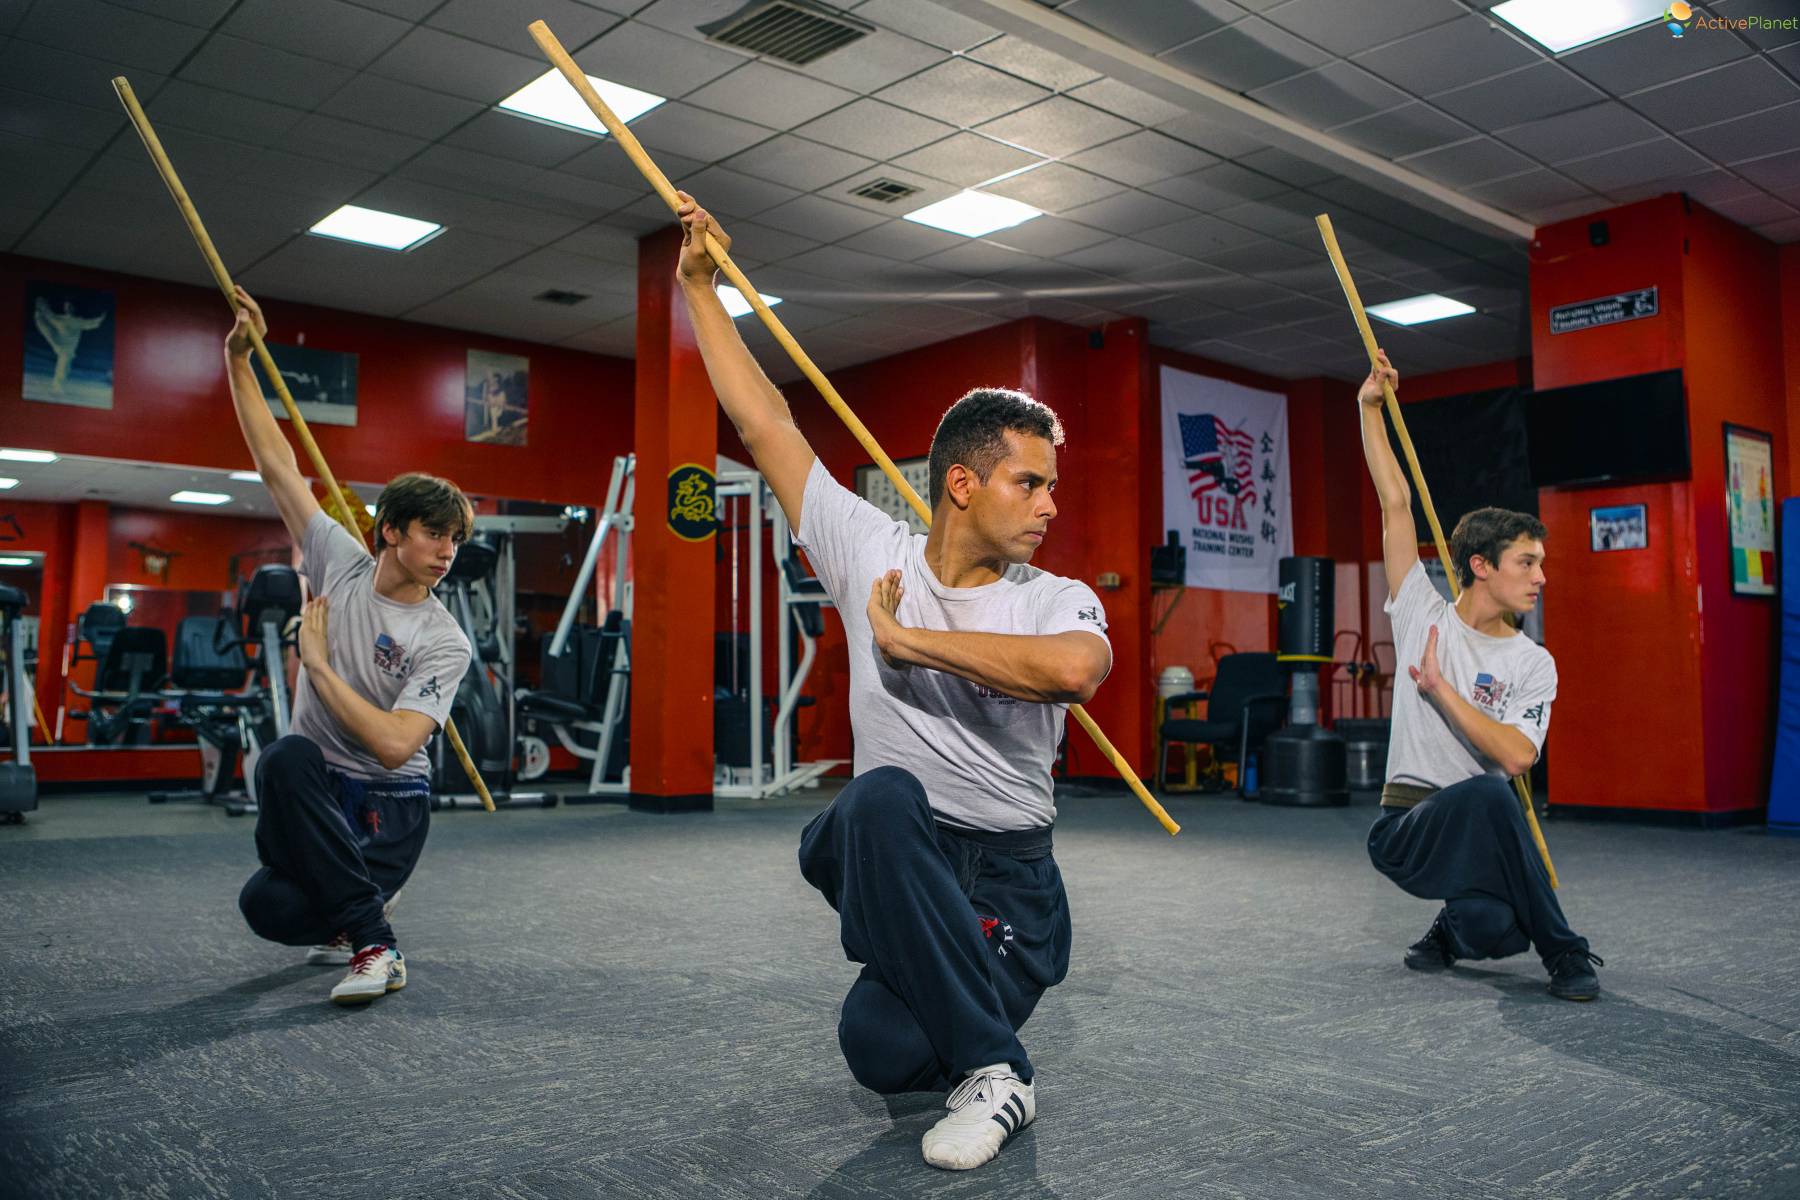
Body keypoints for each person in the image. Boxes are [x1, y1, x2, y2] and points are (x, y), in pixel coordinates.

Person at [675, 194, 1111, 1170]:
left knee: (884, 1046)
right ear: (963, 482)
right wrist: (700, 290)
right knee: (873, 808)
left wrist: (913, 646)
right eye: (1028, 483)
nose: (1049, 503)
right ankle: (992, 1061)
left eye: (1052, 486)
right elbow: (765, 421)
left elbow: (1078, 673)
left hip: (1010, 884)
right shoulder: (872, 550)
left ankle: (990, 1062)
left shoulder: (1055, 596)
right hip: (909, 843)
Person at [222, 288, 472, 1006]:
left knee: (286, 754)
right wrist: (239, 360)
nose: (447, 550)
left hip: (387, 807)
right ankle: (351, 915)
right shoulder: (338, 558)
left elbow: (397, 746)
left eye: (455, 539)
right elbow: (276, 465)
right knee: (266, 903)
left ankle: (375, 944)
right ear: (391, 529)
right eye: (433, 533)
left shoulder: (444, 639)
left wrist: (320, 668)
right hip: (320, 792)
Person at [1358, 349, 1602, 1001]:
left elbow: (1519, 756)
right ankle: (1567, 953)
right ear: (1480, 566)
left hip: (1481, 826)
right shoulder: (1421, 614)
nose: (1541, 578)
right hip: (1408, 825)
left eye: (1542, 563)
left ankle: (1449, 929)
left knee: (1497, 933)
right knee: (1491, 795)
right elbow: (1395, 502)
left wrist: (1440, 692)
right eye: (1526, 563)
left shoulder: (1533, 662)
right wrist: (1369, 409)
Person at [33, 297, 107, 395]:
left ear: (74, 308)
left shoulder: (78, 321)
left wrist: (100, 319)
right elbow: (49, 315)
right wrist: (41, 308)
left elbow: (91, 323)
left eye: (69, 306)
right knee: (63, 366)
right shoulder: (59, 318)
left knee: (65, 366)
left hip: (68, 348)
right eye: (66, 306)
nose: (67, 308)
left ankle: (58, 385)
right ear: (65, 308)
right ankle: (58, 386)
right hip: (57, 342)